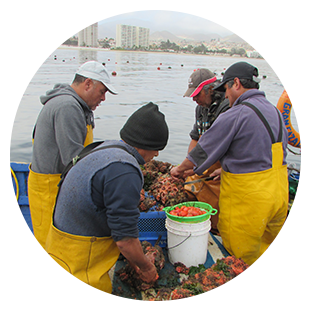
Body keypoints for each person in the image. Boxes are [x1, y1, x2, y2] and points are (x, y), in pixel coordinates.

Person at [171, 62, 288, 284]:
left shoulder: (237, 113)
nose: (225, 94)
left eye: (226, 88)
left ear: (236, 83)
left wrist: (178, 170)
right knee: (259, 251)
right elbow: (266, 155)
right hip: (278, 195)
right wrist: (227, 170)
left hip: (251, 201)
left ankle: (246, 294)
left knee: (238, 261)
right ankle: (257, 289)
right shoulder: (274, 111)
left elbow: (202, 151)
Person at [45, 102, 169, 302]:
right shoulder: (124, 169)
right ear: (147, 144)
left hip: (60, 251)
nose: (156, 155)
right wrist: (146, 267)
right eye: (156, 149)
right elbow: (126, 240)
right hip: (79, 267)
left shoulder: (105, 148)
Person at [28, 61, 117, 298]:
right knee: (54, 247)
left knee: (51, 246)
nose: (103, 98)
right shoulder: (67, 107)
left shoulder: (73, 104)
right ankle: (58, 294)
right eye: (102, 91)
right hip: (50, 186)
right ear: (88, 83)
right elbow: (74, 160)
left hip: (56, 182)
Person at [183, 68, 230, 232]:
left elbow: (218, 143)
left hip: (222, 168)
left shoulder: (227, 107)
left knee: (218, 212)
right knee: (187, 190)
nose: (194, 99)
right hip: (203, 163)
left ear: (211, 89)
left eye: (197, 94)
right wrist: (188, 165)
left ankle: (215, 230)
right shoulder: (201, 108)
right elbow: (196, 138)